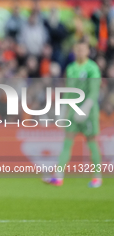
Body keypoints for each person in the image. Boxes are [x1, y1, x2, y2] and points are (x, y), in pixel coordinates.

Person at [44, 39, 102, 188]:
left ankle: (97, 177)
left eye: (82, 49)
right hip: (72, 112)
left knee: (92, 142)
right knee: (67, 142)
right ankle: (58, 176)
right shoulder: (70, 68)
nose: (80, 52)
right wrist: (63, 110)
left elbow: (94, 90)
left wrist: (86, 107)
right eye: (77, 49)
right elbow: (69, 91)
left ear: (88, 51)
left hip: (88, 112)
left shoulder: (92, 68)